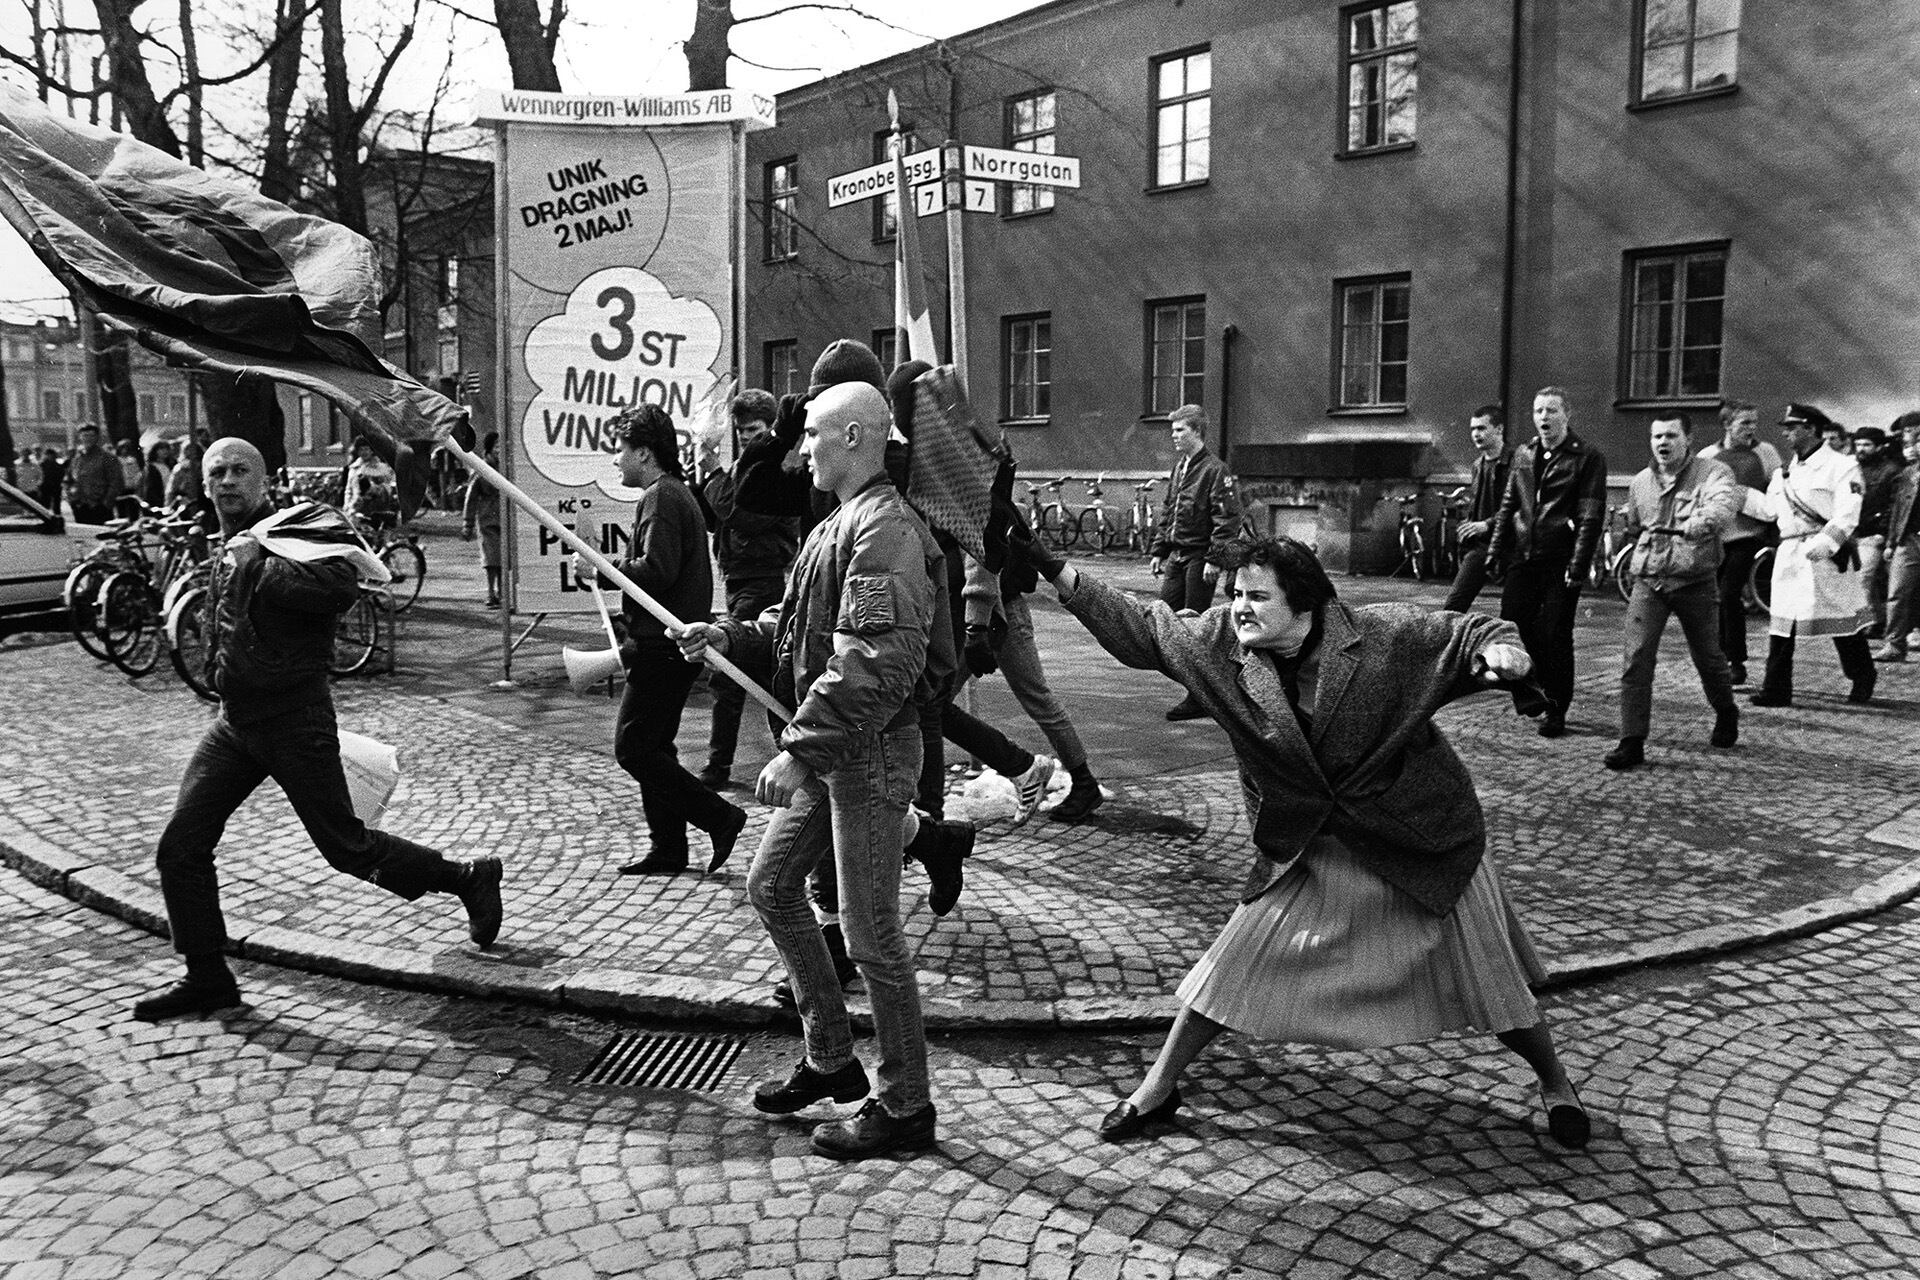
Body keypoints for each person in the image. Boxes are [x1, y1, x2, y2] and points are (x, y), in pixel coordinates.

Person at [1011, 530, 1589, 1148]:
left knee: (1488, 980)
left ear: (1305, 604)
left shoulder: (1383, 635)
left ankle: (1556, 1084)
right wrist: (1053, 566)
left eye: (1257, 596)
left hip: (1419, 839)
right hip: (1306, 847)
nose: (1238, 607)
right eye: (1235, 593)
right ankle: (1158, 1087)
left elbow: (1477, 631)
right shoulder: (1220, 645)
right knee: (1232, 965)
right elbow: (1144, 628)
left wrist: (1506, 655)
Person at [132, 438, 503, 1022]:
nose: (227, 481)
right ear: (204, 485)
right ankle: (207, 976)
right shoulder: (229, 543)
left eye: (239, 470)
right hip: (235, 723)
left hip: (294, 719)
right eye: (216, 473)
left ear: (263, 479)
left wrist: (264, 562)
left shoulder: (296, 527)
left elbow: (341, 589)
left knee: (347, 848)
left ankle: (466, 877)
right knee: (180, 846)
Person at [677, 380, 943, 1161]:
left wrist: (800, 749)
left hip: (865, 753)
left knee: (871, 937)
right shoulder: (840, 524)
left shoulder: (885, 530)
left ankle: (904, 1106)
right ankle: (831, 1058)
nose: (799, 450)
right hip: (836, 750)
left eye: (814, 436)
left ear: (857, 438)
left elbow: (877, 659)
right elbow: (795, 629)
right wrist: (724, 634)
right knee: (772, 888)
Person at [585, 403, 746, 877]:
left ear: (646, 454)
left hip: (664, 646)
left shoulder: (661, 496)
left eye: (622, 450)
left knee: (633, 749)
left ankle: (719, 818)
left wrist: (603, 569)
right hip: (669, 643)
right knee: (657, 747)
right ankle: (668, 847)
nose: (616, 460)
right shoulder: (672, 493)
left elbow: (658, 570)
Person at [1603, 413, 1741, 771]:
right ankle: (1631, 740)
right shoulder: (1640, 483)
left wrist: (1701, 521)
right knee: (1636, 658)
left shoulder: (1713, 473)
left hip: (1694, 579)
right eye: (1657, 436)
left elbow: (1723, 506)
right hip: (1649, 579)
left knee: (1708, 657)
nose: (1662, 443)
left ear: (1688, 439)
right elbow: (1634, 526)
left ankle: (1726, 711)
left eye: (1671, 436)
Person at [1486, 386, 1608, 737]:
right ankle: (1531, 695)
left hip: (1561, 560)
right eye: (1539, 411)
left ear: (1567, 415)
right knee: (1512, 626)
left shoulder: (1586, 457)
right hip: (1524, 556)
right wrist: (1496, 549)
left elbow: (1590, 516)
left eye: (1552, 411)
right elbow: (1509, 505)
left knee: (1555, 634)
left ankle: (1556, 707)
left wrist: (1578, 565)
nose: (1544, 418)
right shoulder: (1524, 454)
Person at [1743, 403, 1876, 707]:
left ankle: (1862, 675)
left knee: (1841, 620)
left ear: (1812, 429)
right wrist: (1741, 496)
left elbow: (1847, 513)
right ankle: (1776, 689)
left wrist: (1828, 543)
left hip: (1826, 555)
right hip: (1790, 554)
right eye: (1785, 427)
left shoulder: (1842, 467)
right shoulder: (1784, 473)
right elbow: (1770, 511)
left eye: (1792, 426)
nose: (1786, 433)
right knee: (1782, 624)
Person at [699, 390, 799, 790]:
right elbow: (716, 518)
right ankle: (793, 752)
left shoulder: (776, 469)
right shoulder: (742, 466)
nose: (746, 439)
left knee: (731, 672)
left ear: (771, 426)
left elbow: (743, 514)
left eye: (754, 430)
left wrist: (712, 476)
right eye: (740, 433)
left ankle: (720, 766)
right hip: (740, 578)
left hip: (763, 580)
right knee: (766, 674)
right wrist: (703, 473)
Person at [1150, 404, 1241, 720]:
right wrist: (1159, 550)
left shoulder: (1215, 470)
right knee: (1164, 621)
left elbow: (1227, 518)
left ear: (1197, 431)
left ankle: (1200, 696)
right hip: (1177, 555)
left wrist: (1216, 559)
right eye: (1173, 430)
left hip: (1201, 558)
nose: (1174, 436)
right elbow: (1169, 510)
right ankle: (1207, 683)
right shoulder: (1181, 467)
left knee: (1196, 628)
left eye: (1180, 430)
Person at [1698, 400, 1783, 686]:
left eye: (1754, 422)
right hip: (1716, 537)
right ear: (1727, 425)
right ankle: (1719, 657)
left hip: (1748, 536)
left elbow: (1779, 490)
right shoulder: (1708, 456)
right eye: (1745, 423)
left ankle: (1736, 662)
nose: (1751, 429)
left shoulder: (1766, 452)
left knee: (1730, 592)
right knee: (1715, 597)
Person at [1441, 404, 1512, 614]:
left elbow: (1520, 508)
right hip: (1481, 547)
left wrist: (1486, 524)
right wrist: (1469, 525)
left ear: (1499, 429)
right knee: (1453, 606)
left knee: (1514, 613)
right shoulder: (1478, 465)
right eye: (1473, 429)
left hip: (1512, 546)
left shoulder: (1517, 463)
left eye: (1482, 428)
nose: (1476, 434)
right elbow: (1479, 504)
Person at [1871, 413, 1920, 663]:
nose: (1913, 447)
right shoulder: (1907, 474)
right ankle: (1894, 644)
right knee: (1897, 592)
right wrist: (1891, 543)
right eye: (1910, 442)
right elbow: (1897, 511)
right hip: (1909, 539)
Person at [1851, 425, 1902, 640]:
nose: (1861, 449)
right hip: (1854, 531)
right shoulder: (1852, 468)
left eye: (1867, 444)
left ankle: (1862, 626)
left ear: (1879, 446)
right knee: (1864, 580)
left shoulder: (1891, 471)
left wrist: (1884, 532)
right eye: (1858, 444)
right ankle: (1877, 621)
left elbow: (1895, 505)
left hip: (1874, 534)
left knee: (1864, 578)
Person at [461, 432, 504, 607]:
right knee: (490, 559)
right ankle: (490, 592)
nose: (499, 450)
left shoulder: (508, 468)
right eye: (496, 447)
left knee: (503, 558)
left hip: (505, 519)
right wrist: (467, 524)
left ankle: (503, 592)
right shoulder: (481, 470)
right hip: (487, 519)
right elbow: (470, 498)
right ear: (489, 449)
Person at [65, 424, 123, 523]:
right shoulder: (77, 459)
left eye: (91, 435)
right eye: (85, 435)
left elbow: (116, 482)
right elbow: (68, 480)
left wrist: (106, 503)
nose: (88, 439)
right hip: (80, 506)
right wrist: (71, 499)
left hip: (99, 506)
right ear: (80, 437)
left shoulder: (107, 458)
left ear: (97, 437)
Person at [342, 437, 399, 532]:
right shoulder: (354, 468)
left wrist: (376, 489)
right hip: (356, 509)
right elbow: (349, 489)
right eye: (361, 449)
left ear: (372, 451)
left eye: (366, 449)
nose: (364, 452)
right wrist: (347, 505)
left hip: (376, 510)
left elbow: (389, 488)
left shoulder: (382, 468)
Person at [36, 446, 65, 516]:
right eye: (49, 455)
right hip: (46, 486)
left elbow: (62, 474)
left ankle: (55, 516)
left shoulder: (58, 464)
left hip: (55, 485)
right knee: (46, 503)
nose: (50, 456)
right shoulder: (42, 465)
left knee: (56, 504)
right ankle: (46, 516)